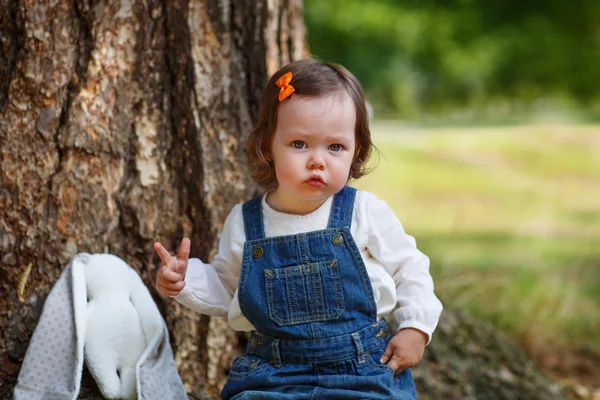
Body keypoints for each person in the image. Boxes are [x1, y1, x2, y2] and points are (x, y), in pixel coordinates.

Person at [154, 59, 443, 399]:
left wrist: (414, 328)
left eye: (335, 147)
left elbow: (410, 269)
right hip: (274, 374)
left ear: (356, 152)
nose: (317, 160)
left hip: (364, 370)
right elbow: (229, 286)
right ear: (267, 148)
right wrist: (186, 281)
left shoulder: (363, 212)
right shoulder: (247, 223)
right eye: (299, 144)